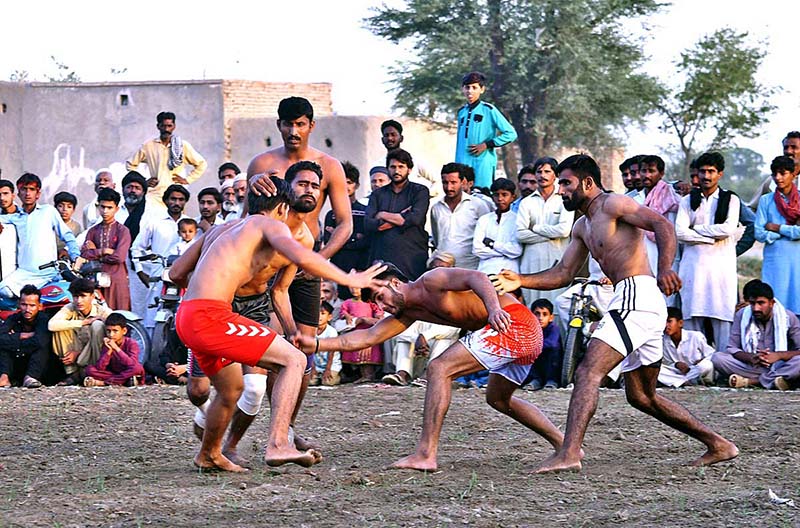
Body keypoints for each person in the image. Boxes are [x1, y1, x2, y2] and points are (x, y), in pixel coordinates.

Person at [491, 153, 738, 472]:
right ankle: (720, 444)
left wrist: (664, 268)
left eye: (566, 183)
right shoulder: (582, 225)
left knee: (587, 371)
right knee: (642, 396)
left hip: (637, 294)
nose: (561, 189)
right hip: (633, 300)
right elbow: (565, 272)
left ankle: (569, 453)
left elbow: (661, 224)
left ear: (588, 183)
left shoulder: (613, 204)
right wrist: (520, 280)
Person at [171, 176, 384, 472]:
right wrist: (349, 279)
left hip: (188, 314)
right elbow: (299, 254)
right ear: (282, 209)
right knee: (294, 360)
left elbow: (175, 273)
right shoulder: (269, 224)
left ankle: (209, 453)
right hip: (212, 316)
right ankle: (279, 444)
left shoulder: (221, 229)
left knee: (232, 389)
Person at [298, 262, 559, 471]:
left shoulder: (432, 280)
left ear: (395, 283)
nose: (382, 307)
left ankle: (426, 454)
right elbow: (366, 338)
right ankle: (565, 445)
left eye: (381, 297)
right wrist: (316, 344)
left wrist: (492, 309)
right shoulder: (408, 312)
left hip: (513, 323)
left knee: (439, 368)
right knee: (499, 399)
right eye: (377, 303)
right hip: (517, 332)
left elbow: (476, 277)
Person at [675, 151, 740, 349]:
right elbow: (679, 232)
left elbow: (728, 229)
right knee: (692, 319)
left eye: (711, 171)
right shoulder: (687, 201)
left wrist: (696, 230)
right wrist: (711, 238)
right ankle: (695, 369)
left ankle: (721, 368)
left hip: (721, 271)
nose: (706, 176)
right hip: (693, 269)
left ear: (720, 174)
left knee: (722, 319)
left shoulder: (731, 200)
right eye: (702, 171)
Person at [0, 173, 81, 298]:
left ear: (38, 194)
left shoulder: (48, 211)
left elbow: (67, 235)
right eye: (24, 189)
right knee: (3, 290)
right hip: (25, 273)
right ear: (19, 193)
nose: (28, 193)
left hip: (48, 272)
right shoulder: (15, 217)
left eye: (32, 189)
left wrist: (76, 256)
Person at [712, 280, 800, 390]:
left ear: (772, 303)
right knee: (718, 358)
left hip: (780, 365)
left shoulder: (788, 318)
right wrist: (751, 357)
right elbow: (732, 348)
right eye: (752, 303)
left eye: (761, 303)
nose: (756, 308)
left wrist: (778, 356)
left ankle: (753, 382)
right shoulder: (742, 315)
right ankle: (777, 381)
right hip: (753, 366)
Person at [130, 184, 190, 329]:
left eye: (181, 199)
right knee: (152, 319)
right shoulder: (155, 222)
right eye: (173, 199)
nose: (176, 203)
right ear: (166, 200)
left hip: (184, 280)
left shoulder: (190, 224)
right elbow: (136, 247)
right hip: (159, 278)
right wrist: (140, 271)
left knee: (183, 319)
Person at [516, 156, 574, 307]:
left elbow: (563, 231)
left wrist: (535, 228)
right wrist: (550, 236)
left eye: (547, 171)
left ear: (555, 175)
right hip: (531, 262)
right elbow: (520, 234)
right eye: (539, 171)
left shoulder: (564, 199)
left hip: (558, 262)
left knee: (557, 307)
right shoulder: (527, 202)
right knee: (532, 307)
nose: (542, 175)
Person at [365, 149, 430, 280]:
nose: (397, 171)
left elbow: (415, 219)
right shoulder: (378, 194)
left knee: (411, 297)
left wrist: (382, 214)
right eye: (393, 167)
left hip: (411, 258)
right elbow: (368, 224)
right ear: (388, 169)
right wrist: (400, 217)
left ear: (409, 169)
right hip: (382, 257)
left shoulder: (420, 191)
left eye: (401, 167)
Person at [126, 111, 207, 209]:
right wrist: (143, 181)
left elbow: (201, 164)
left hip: (175, 194)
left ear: (174, 126)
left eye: (169, 126)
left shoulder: (182, 146)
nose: (166, 129)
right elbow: (130, 164)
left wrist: (187, 180)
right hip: (154, 194)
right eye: (163, 126)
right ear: (158, 126)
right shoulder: (148, 146)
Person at [455, 71, 517, 189]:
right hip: (462, 163)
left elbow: (511, 133)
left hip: (482, 163)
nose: (470, 91)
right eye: (467, 87)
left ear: (482, 89)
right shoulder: (461, 112)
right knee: (463, 198)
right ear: (463, 89)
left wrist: (486, 145)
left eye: (474, 87)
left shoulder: (489, 110)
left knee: (483, 196)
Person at [755, 155, 800, 314]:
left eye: (783, 173)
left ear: (793, 175)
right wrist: (790, 231)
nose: (778, 178)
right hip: (775, 262)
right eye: (775, 174)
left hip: (797, 262)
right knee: (775, 309)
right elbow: (759, 233)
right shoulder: (766, 200)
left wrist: (777, 228)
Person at [48, 278, 111, 386]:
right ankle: (72, 373)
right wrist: (83, 322)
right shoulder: (70, 308)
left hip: (95, 357)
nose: (79, 301)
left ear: (92, 296)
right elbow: (51, 325)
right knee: (60, 329)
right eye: (76, 297)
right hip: (76, 357)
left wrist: (79, 354)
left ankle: (95, 372)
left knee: (97, 325)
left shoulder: (103, 311)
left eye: (83, 296)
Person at [430, 162, 492, 270]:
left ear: (463, 182)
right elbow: (437, 238)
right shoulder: (436, 208)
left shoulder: (477, 205)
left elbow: (487, 234)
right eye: (445, 182)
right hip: (444, 268)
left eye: (453, 182)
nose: (449, 187)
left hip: (471, 267)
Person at [79, 188, 132, 311]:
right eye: (102, 207)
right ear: (98, 207)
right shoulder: (92, 231)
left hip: (117, 279)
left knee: (119, 317)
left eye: (109, 208)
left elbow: (119, 257)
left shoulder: (123, 231)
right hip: (96, 280)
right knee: (97, 316)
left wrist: (96, 253)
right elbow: (85, 254)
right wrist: (104, 251)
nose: (105, 211)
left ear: (116, 209)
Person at [324, 161, 369, 299]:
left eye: (349, 182)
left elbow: (366, 242)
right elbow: (329, 242)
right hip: (337, 267)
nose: (345, 186)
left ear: (356, 185)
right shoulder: (331, 214)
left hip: (359, 267)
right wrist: (355, 237)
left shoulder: (365, 212)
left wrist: (339, 236)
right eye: (342, 181)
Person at [0, 284, 50, 388]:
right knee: (3, 349)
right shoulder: (14, 318)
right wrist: (22, 335)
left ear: (39, 306)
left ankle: (30, 378)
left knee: (42, 348)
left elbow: (40, 341)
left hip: (39, 366)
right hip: (16, 363)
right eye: (24, 304)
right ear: (19, 304)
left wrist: (13, 342)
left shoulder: (43, 319)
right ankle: (4, 378)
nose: (27, 309)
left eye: (32, 305)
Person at [473, 177, 522, 274]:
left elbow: (516, 251)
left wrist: (492, 244)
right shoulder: (484, 220)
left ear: (513, 197)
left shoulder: (518, 220)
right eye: (496, 195)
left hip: (509, 271)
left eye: (504, 195)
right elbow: (477, 250)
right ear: (492, 197)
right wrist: (505, 253)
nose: (500, 199)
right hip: (485, 271)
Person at [83, 313, 144, 387]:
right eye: (108, 331)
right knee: (89, 370)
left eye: (115, 331)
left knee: (137, 368)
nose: (111, 335)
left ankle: (103, 383)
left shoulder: (131, 343)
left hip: (127, 371)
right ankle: (123, 381)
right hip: (115, 374)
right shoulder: (107, 344)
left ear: (124, 331)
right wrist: (109, 351)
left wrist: (116, 348)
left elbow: (131, 364)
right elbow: (100, 367)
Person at [659, 307, 714, 388]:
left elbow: (712, 354)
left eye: (669, 321)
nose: (666, 325)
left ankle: (679, 381)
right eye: (664, 322)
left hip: (695, 370)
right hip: (676, 372)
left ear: (680, 323)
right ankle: (684, 381)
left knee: (706, 365)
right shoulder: (662, 340)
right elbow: (666, 363)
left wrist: (701, 361)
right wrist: (676, 365)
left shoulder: (695, 336)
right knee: (657, 369)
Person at [378, 119, 437, 193]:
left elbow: (437, 180)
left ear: (401, 138)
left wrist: (423, 197)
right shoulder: (378, 164)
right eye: (386, 135)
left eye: (393, 135)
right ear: (382, 140)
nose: (390, 138)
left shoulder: (414, 160)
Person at [339, 285, 384, 383]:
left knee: (368, 355)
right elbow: (343, 312)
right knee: (356, 354)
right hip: (355, 331)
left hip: (368, 331)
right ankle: (360, 375)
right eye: (352, 287)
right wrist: (346, 315)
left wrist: (370, 319)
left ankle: (369, 375)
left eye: (357, 287)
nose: (354, 289)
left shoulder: (370, 302)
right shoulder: (348, 302)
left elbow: (379, 316)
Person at [528, 299, 562, 390]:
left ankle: (552, 381)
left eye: (544, 314)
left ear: (551, 317)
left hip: (551, 362)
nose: (540, 318)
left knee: (553, 351)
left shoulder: (553, 328)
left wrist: (533, 346)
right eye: (537, 314)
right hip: (536, 361)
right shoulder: (530, 329)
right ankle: (535, 380)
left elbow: (552, 343)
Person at [311, 301, 341, 386]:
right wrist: (312, 368)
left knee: (328, 382)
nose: (319, 316)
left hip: (330, 365)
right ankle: (318, 376)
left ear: (329, 317)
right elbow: (309, 350)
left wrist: (328, 369)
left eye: (323, 313)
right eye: (317, 313)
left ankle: (338, 376)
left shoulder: (331, 332)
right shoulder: (310, 331)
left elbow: (331, 352)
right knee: (310, 382)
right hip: (316, 364)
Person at [53, 191, 82, 259]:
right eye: (61, 206)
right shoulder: (49, 224)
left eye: (69, 207)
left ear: (73, 209)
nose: (64, 209)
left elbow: (78, 245)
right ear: (55, 208)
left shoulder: (76, 226)